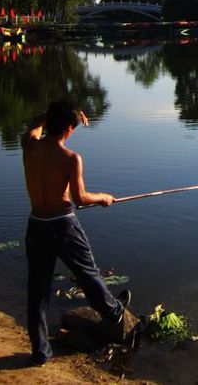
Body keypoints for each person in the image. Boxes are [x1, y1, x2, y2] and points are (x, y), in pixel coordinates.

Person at [21, 99, 136, 365]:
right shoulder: (71, 158)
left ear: (48, 122)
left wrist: (53, 116)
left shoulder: (29, 144)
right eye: (73, 126)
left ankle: (40, 351)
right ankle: (115, 312)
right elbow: (81, 198)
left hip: (36, 224)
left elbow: (34, 126)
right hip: (62, 224)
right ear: (69, 129)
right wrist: (104, 197)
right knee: (87, 274)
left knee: (37, 289)